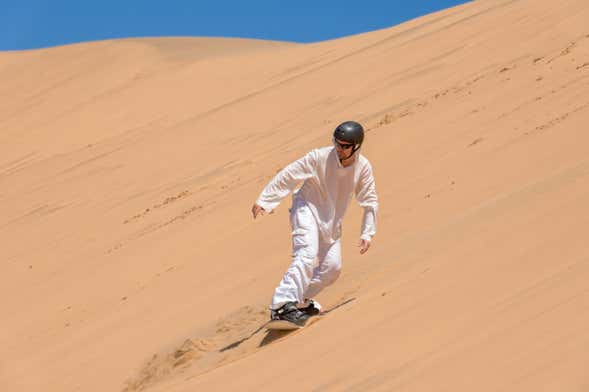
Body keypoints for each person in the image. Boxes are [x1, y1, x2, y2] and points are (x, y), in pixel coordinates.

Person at [251, 121, 378, 326]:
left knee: (332, 269)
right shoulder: (319, 157)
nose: (339, 148)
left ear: (356, 147)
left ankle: (299, 301)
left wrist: (367, 232)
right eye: (337, 143)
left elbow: (369, 200)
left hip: (332, 221)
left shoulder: (363, 168)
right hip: (307, 209)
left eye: (345, 146)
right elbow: (289, 174)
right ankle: (281, 305)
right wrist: (266, 200)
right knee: (306, 253)